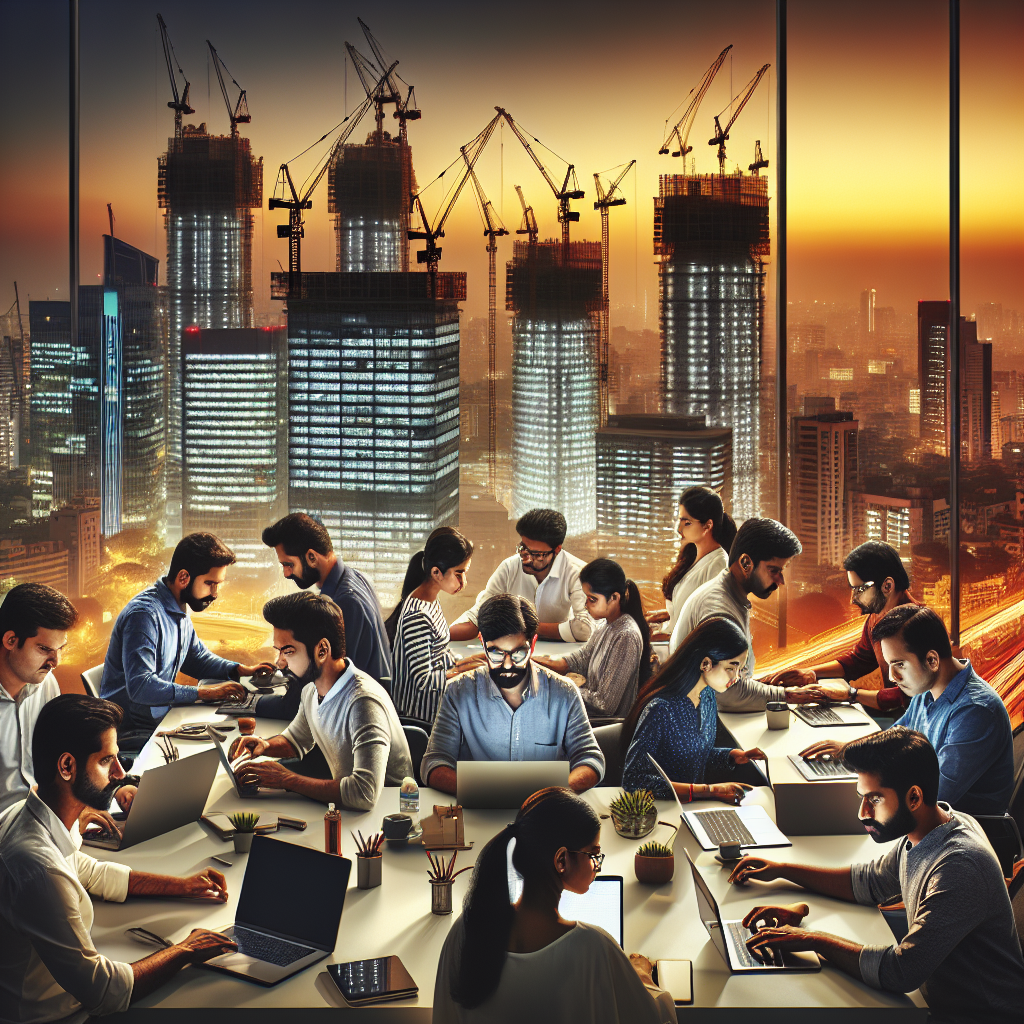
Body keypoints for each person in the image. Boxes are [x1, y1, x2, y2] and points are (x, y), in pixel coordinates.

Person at [728, 727, 1024, 1024]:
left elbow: (901, 971)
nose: (862, 812)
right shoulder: (928, 829)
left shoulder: (959, 866)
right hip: (938, 1003)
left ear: (914, 797)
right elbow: (869, 882)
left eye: (875, 799)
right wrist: (783, 870)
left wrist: (811, 939)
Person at [0, 694, 239, 1023]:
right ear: (67, 766)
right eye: (105, 761)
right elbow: (103, 990)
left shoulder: (32, 815)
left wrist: (183, 885)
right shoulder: (37, 867)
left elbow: (92, 873)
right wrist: (187, 948)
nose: (120, 772)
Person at [432, 787, 675, 1024]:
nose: (596, 866)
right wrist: (640, 975)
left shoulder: (467, 930)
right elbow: (655, 1018)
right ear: (561, 860)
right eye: (593, 854)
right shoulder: (595, 949)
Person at [805, 605, 1013, 815]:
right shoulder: (926, 688)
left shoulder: (976, 711)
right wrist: (851, 751)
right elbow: (896, 739)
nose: (892, 677)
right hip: (930, 822)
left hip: (965, 835)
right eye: (889, 665)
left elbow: (936, 797)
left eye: (899, 665)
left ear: (932, 660)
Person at [228, 592, 412, 811]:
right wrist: (265, 745)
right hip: (348, 812)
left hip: (387, 817)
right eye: (279, 651)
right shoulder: (311, 690)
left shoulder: (363, 702)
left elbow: (365, 794)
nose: (280, 663)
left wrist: (286, 779)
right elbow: (296, 740)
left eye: (288, 651)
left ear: (322, 650)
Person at [421, 594, 605, 795]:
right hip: (481, 808)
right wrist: (488, 793)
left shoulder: (565, 693)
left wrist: (551, 794)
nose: (507, 665)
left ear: (532, 645)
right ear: (482, 643)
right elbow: (434, 763)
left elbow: (590, 759)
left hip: (545, 810)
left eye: (518, 653)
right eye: (496, 653)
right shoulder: (458, 692)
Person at [100, 533, 271, 740]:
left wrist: (238, 670)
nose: (215, 593)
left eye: (218, 584)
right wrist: (205, 693)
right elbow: (141, 687)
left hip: (160, 717)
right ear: (183, 578)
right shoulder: (144, 616)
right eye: (210, 583)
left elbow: (195, 657)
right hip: (133, 729)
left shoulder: (178, 607)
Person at [0, 583, 137, 831]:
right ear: (11, 640)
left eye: (60, 649)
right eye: (44, 649)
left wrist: (109, 790)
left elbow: (64, 758)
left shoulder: (45, 684)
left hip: (47, 821)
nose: (56, 662)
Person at [669, 517, 811, 712]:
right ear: (746, 563)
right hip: (699, 726)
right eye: (774, 570)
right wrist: (788, 696)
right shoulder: (719, 610)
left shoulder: (731, 598)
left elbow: (735, 675)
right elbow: (727, 690)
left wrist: (771, 683)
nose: (780, 581)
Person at [620, 617, 767, 805]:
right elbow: (632, 779)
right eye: (731, 668)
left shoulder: (707, 697)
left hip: (693, 806)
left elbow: (693, 754)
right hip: (662, 811)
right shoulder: (661, 709)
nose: (737, 677)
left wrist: (731, 756)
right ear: (705, 664)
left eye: (740, 669)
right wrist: (709, 791)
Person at [764, 541, 919, 715]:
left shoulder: (919, 626)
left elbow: (909, 695)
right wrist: (810, 673)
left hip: (915, 723)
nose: (852, 599)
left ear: (887, 586)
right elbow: (858, 661)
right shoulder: (876, 619)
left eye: (860, 589)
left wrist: (850, 694)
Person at [262, 513, 392, 688]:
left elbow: (329, 680)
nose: (286, 573)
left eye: (289, 565)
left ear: (312, 557)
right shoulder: (357, 578)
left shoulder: (343, 603)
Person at [448, 509, 594, 643]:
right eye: (523, 548)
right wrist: (443, 636)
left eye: (536, 554)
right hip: (512, 651)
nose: (526, 558)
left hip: (560, 653)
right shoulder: (509, 568)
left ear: (557, 550)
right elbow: (478, 615)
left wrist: (520, 626)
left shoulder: (578, 573)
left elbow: (584, 629)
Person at [533, 558, 652, 719]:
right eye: (586, 598)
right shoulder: (605, 625)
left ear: (614, 598)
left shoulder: (626, 635)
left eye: (592, 599)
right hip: (589, 717)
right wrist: (528, 661)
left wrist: (558, 686)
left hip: (605, 726)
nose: (585, 605)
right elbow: (579, 660)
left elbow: (605, 705)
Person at [389, 528, 483, 725]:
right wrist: (465, 673)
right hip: (421, 715)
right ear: (436, 573)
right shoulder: (418, 615)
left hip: (434, 702)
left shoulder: (430, 600)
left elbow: (439, 652)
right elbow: (424, 682)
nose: (463, 581)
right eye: (459, 573)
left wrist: (464, 662)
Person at [646, 485, 736, 642]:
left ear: (707, 526)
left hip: (684, 652)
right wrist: (668, 614)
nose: (678, 529)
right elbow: (693, 605)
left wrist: (664, 637)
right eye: (679, 521)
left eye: (686, 523)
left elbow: (710, 627)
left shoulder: (717, 566)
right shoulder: (692, 557)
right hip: (670, 640)